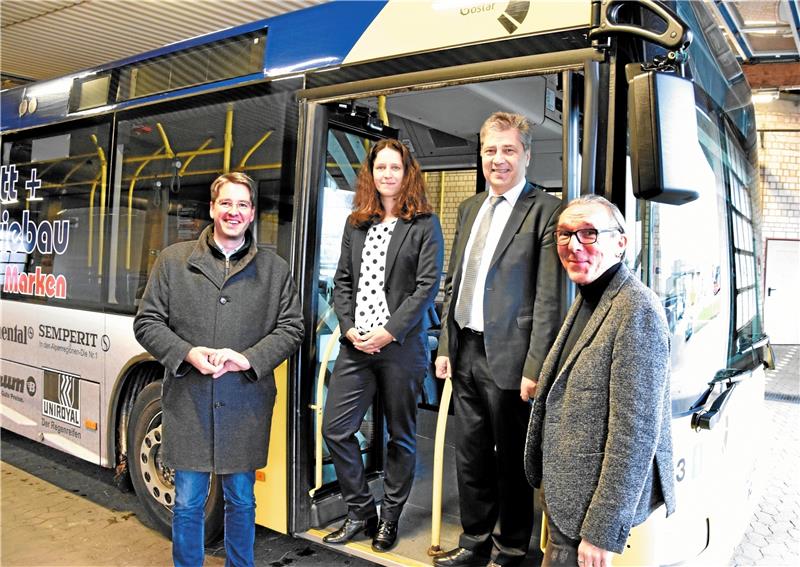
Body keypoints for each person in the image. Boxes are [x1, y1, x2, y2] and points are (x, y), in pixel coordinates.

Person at [133, 172, 304, 567]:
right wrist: (188, 353)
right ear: (212, 208)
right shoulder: (174, 262)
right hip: (189, 401)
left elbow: (292, 327)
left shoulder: (274, 270)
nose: (234, 211)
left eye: (242, 204)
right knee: (189, 500)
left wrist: (249, 359)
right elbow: (147, 322)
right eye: (226, 203)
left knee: (241, 499)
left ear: (252, 213)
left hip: (245, 402)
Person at [434, 112, 563, 567]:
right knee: (469, 456)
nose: (498, 159)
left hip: (511, 358)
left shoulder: (547, 211)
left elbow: (549, 299)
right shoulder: (470, 208)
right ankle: (473, 543)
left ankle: (510, 550)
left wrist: (535, 368)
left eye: (508, 150)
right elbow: (454, 282)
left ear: (527, 155)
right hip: (466, 349)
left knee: (511, 461)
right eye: (490, 150)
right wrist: (446, 347)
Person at [524, 195, 676, 567]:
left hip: (588, 513)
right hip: (567, 498)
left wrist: (602, 531)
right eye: (565, 234)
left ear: (620, 243)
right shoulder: (591, 297)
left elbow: (636, 433)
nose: (574, 245)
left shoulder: (636, 309)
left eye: (589, 233)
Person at [322, 138, 444, 552]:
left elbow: (426, 287)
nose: (387, 174)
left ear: (407, 172)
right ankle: (361, 512)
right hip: (356, 346)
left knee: (400, 436)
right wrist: (348, 326)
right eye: (380, 168)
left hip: (401, 346)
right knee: (336, 430)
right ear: (370, 174)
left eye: (395, 167)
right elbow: (342, 282)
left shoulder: (424, 223)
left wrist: (389, 331)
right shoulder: (357, 223)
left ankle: (389, 518)